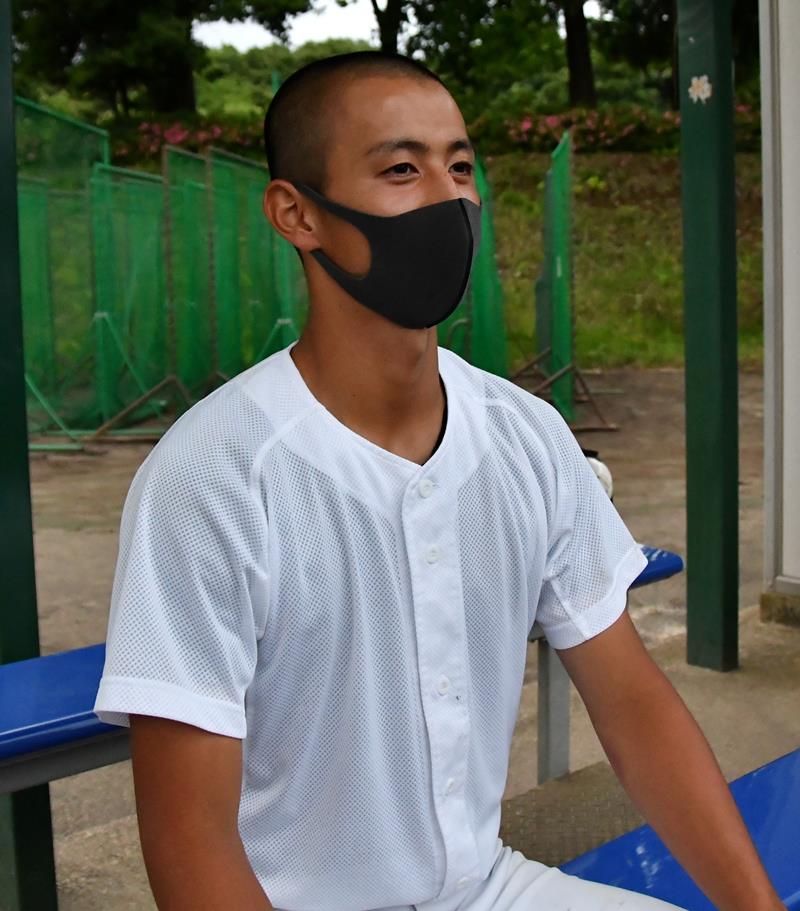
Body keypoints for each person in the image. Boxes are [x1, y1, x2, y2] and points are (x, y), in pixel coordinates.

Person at [93, 51, 784, 911]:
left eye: (459, 167)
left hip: (487, 887)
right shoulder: (212, 476)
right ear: (296, 214)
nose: (448, 199)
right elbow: (189, 842)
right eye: (400, 170)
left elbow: (635, 707)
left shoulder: (525, 435)